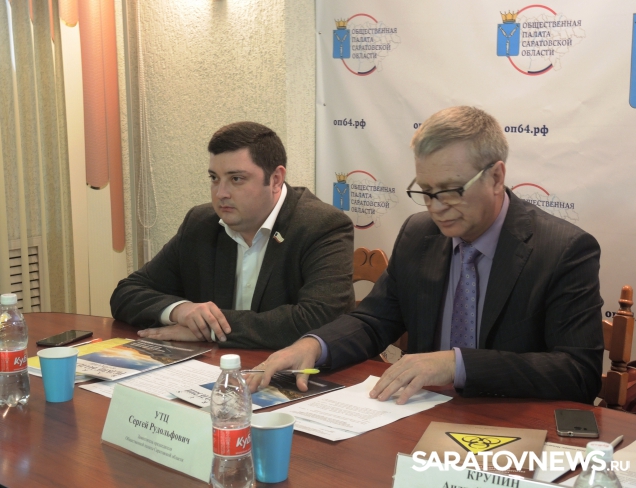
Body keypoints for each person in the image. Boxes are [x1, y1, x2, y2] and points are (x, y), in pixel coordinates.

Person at [248, 106, 604, 404]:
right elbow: (374, 321)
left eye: (450, 190)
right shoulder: (419, 234)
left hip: (510, 422)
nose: (436, 207)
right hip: (420, 413)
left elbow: (578, 372)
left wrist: (458, 364)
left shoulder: (562, 250)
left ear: (496, 177)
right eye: (426, 191)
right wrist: (314, 345)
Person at [110, 121, 355, 349]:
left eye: (236, 179)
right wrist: (180, 310)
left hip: (292, 370)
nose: (221, 193)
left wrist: (208, 328)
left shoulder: (322, 226)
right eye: (214, 178)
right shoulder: (201, 223)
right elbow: (127, 292)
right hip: (212, 367)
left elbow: (318, 319)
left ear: (275, 179)